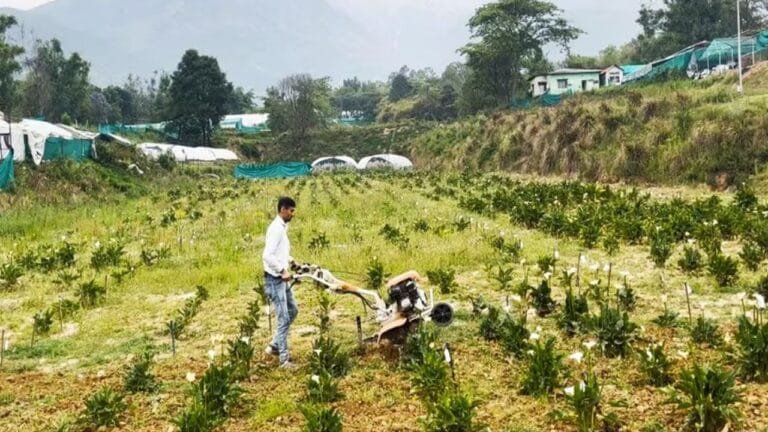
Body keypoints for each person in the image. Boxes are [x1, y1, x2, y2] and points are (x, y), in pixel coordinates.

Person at [262, 196, 298, 369]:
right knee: (283, 317)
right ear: (283, 209)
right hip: (275, 280)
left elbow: (279, 252)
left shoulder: (283, 227)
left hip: (281, 277)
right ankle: (284, 359)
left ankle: (275, 345)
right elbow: (267, 256)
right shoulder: (276, 228)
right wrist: (282, 270)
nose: (292, 214)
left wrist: (291, 262)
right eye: (291, 211)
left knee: (293, 310)